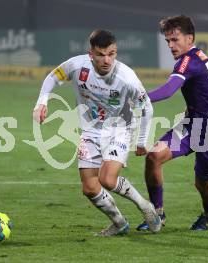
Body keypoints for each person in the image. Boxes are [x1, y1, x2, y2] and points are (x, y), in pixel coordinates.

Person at [33, 29, 161, 236]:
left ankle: (145, 207)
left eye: (111, 54)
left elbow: (147, 107)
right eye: (101, 54)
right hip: (90, 132)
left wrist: (142, 141)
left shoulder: (126, 77)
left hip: (118, 129)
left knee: (107, 180)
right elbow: (52, 77)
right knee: (90, 188)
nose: (107, 60)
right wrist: (41, 102)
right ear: (91, 53)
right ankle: (120, 223)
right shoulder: (77, 65)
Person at [136, 15, 208, 231]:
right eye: (168, 41)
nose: (171, 45)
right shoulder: (196, 58)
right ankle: (157, 215)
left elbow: (168, 90)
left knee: (202, 184)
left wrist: (137, 97)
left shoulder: (189, 61)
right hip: (192, 125)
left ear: (190, 38)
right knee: (154, 156)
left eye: (175, 39)